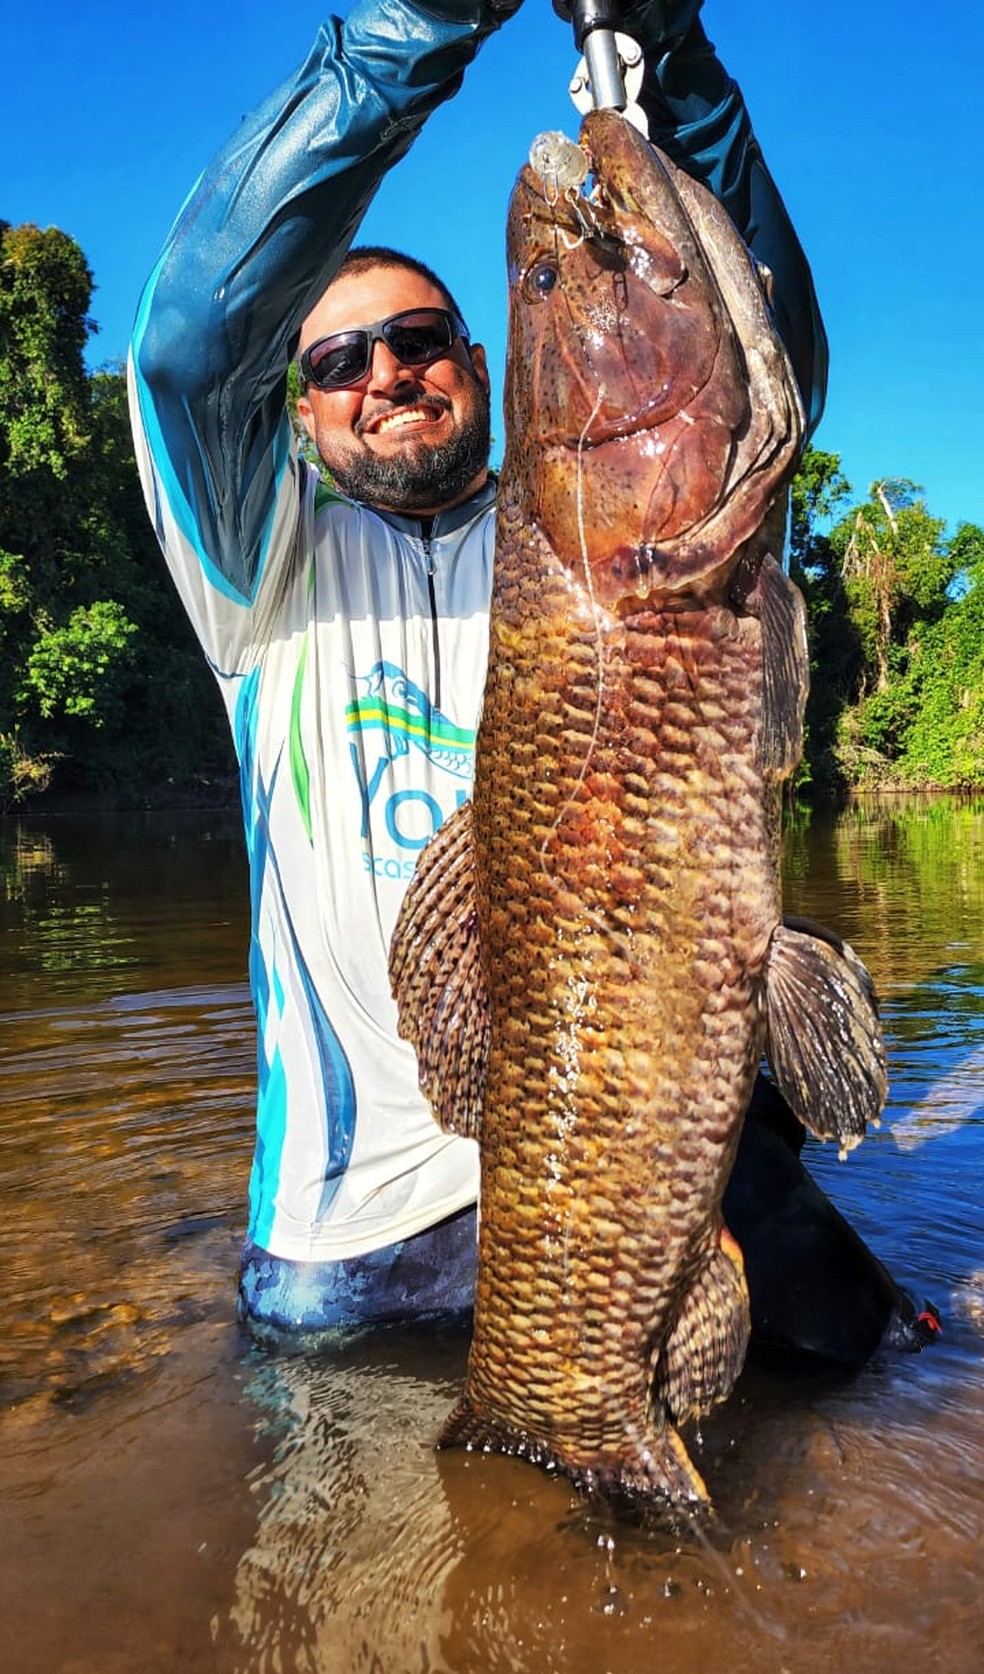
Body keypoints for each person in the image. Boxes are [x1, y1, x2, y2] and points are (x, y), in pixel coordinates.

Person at [129, 0, 931, 1360]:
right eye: (336, 360)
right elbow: (190, 344)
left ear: (485, 365)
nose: (389, 374)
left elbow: (763, 354)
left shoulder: (635, 518)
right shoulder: (260, 574)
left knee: (879, 1364)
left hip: (643, 1122)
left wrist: (671, 55)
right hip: (366, 1235)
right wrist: (410, 31)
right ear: (298, 410)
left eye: (423, 340)